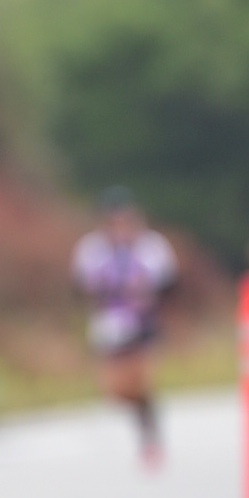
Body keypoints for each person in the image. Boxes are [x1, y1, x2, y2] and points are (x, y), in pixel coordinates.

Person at [72, 189, 179, 464]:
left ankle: (150, 435)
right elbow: (84, 286)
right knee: (116, 389)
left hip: (142, 323)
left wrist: (148, 295)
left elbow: (167, 283)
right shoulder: (92, 250)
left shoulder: (150, 246)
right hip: (109, 323)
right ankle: (142, 415)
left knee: (140, 380)